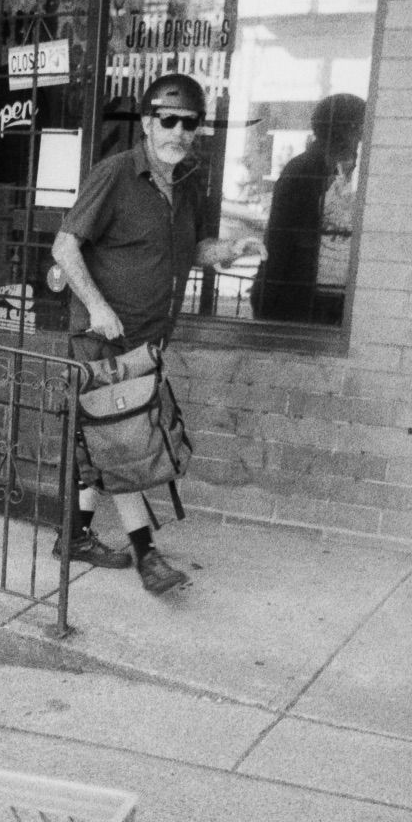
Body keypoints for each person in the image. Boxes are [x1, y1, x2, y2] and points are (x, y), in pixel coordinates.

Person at [50, 73, 265, 595]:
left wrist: (228, 251)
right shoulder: (117, 174)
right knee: (128, 445)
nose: (178, 131)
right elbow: (64, 247)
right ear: (147, 123)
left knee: (102, 440)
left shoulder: (187, 183)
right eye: (167, 119)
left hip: (148, 340)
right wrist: (97, 307)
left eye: (188, 123)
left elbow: (189, 251)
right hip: (106, 340)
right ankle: (149, 558)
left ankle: (74, 537)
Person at [251, 94, 366, 326]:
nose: (365, 135)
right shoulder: (306, 170)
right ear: (347, 130)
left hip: (326, 299)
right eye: (362, 127)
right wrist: (267, 299)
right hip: (301, 303)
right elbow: (282, 239)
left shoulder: (348, 169)